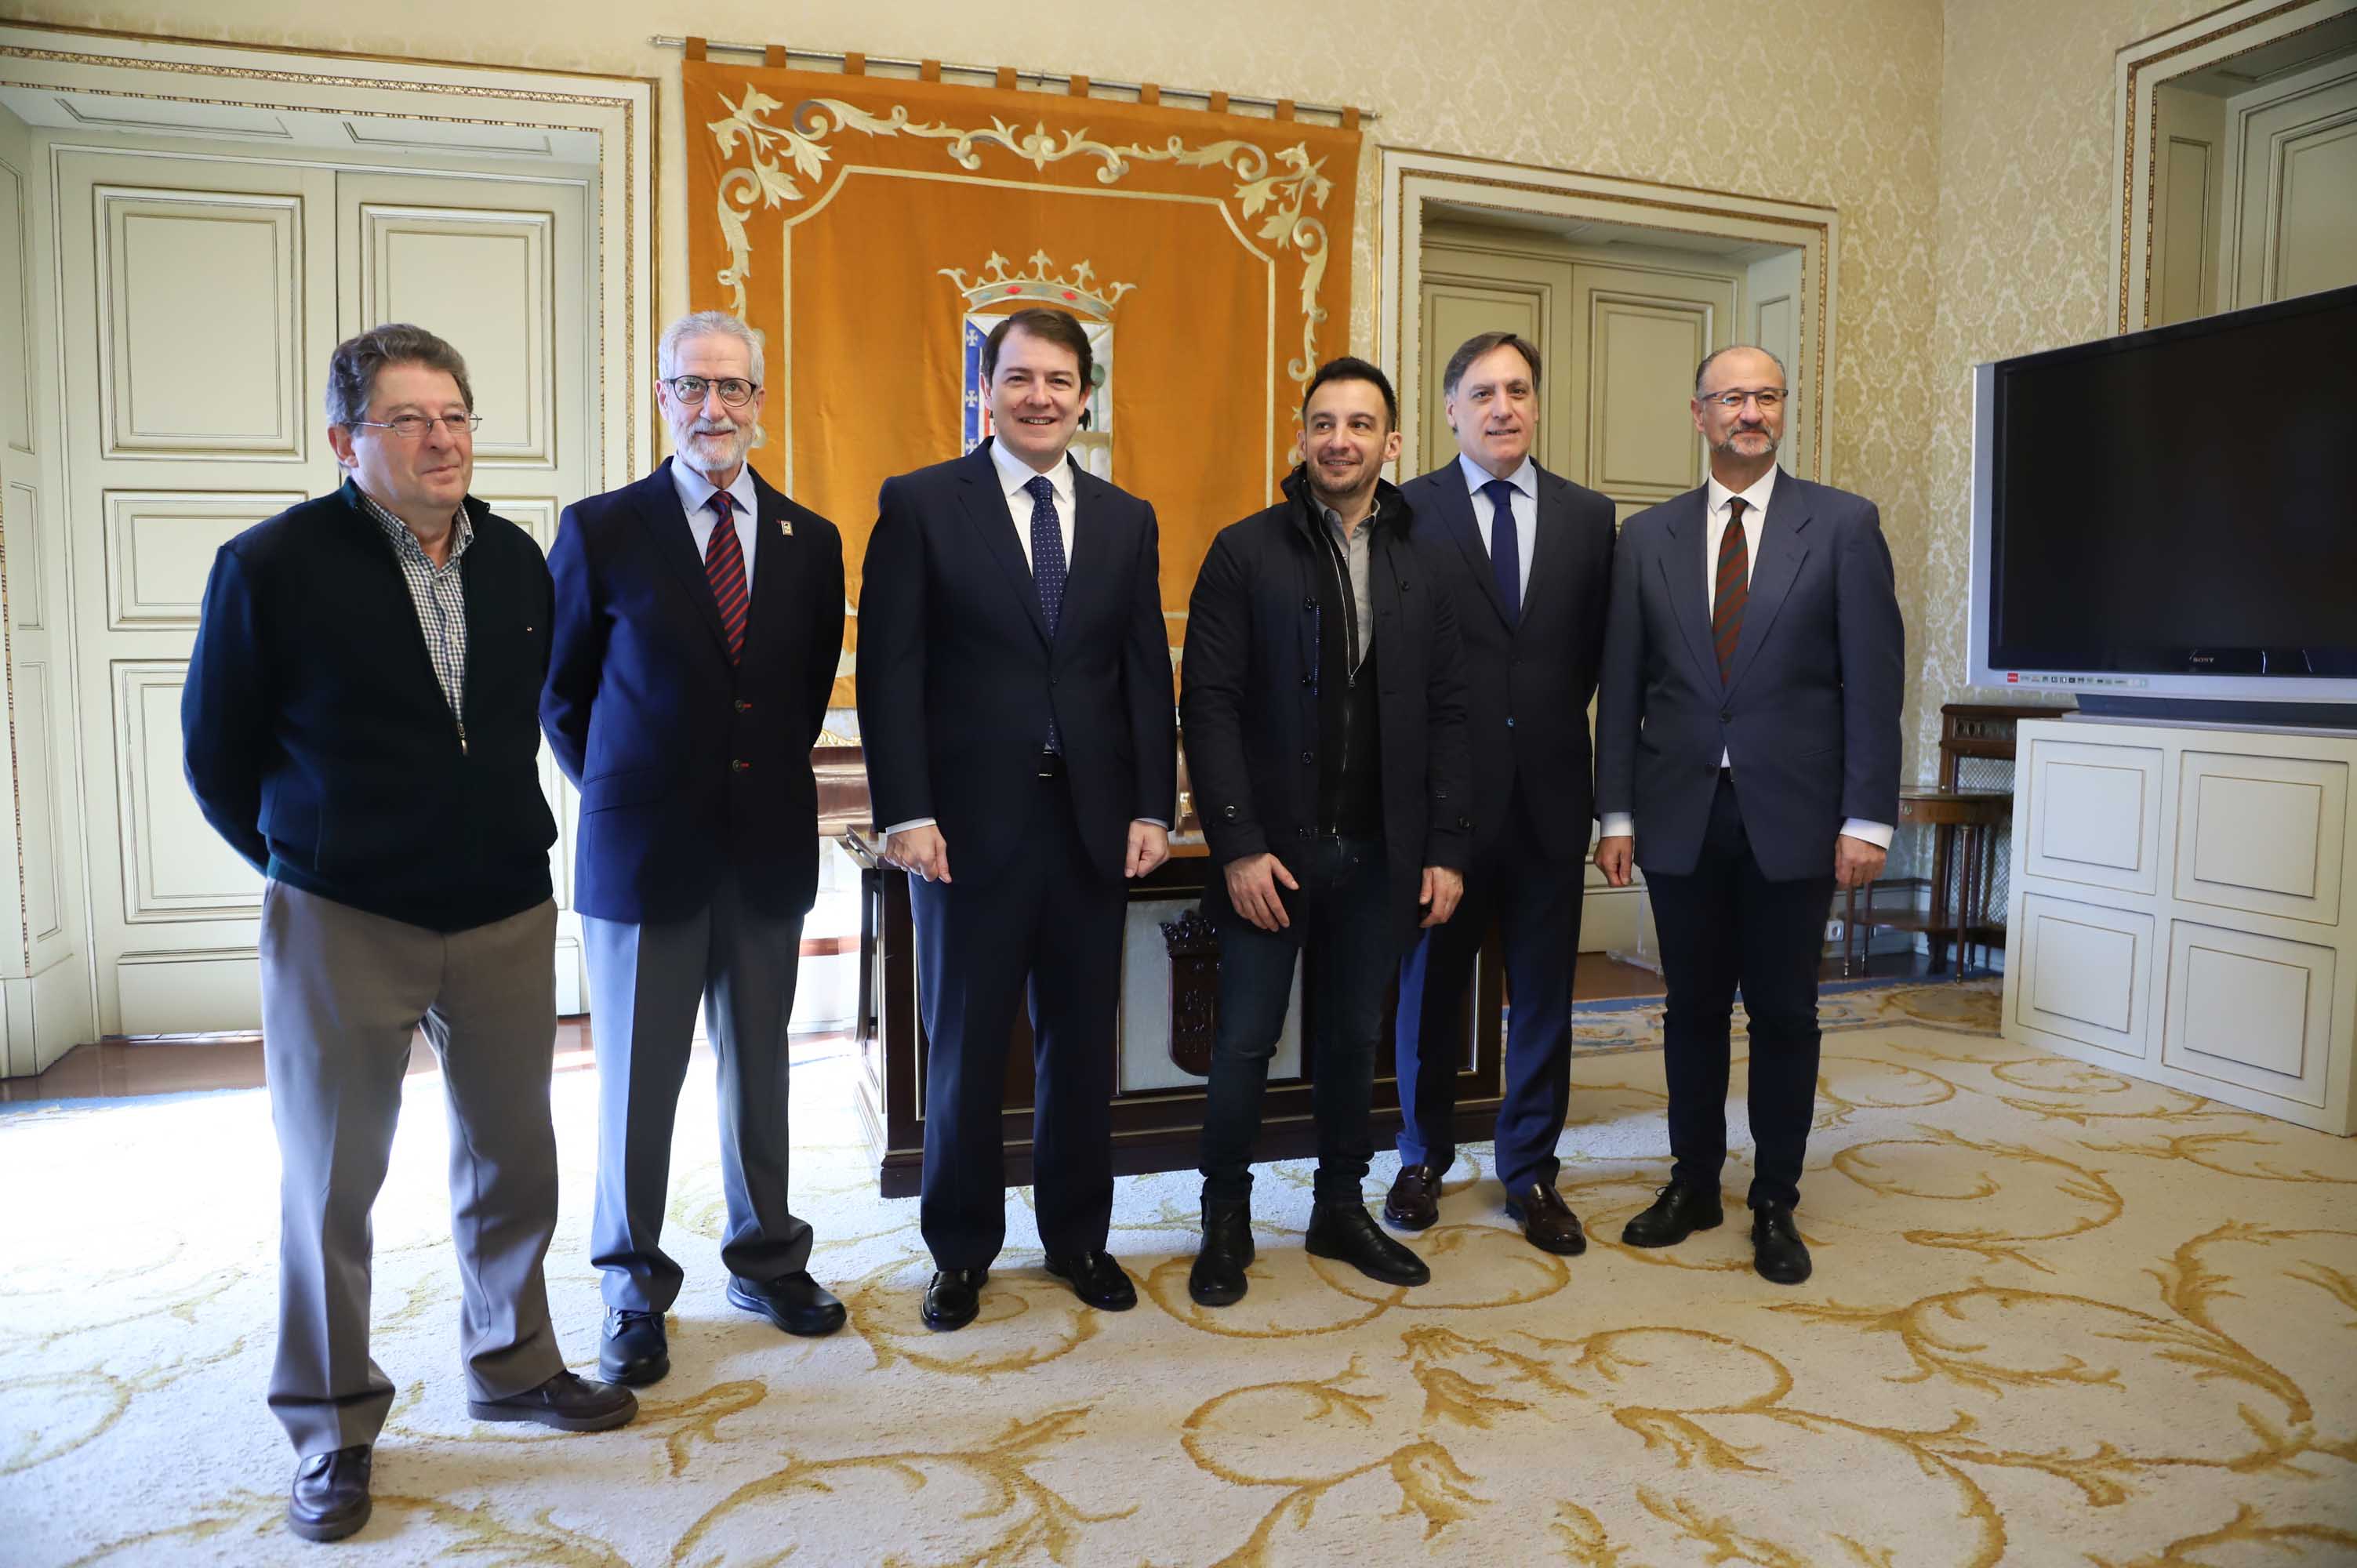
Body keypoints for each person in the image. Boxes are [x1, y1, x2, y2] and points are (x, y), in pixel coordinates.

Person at [183, 323, 635, 1545]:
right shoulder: (270, 565)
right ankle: (331, 1425)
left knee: (512, 1159)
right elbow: (216, 758)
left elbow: (545, 713)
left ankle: (513, 1364)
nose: (442, 441)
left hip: (500, 906)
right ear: (345, 439)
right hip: (345, 917)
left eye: (456, 416)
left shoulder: (519, 561)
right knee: (332, 1184)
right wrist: (309, 864)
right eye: (408, 420)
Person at [542, 310, 849, 1387]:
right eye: (690, 388)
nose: (712, 408)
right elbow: (562, 695)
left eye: (732, 389)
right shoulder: (600, 529)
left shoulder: (814, 541)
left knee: (761, 1068)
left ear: (760, 404)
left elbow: (802, 689)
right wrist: (630, 790)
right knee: (638, 1081)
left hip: (764, 846)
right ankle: (631, 1285)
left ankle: (767, 1257)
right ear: (662, 399)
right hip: (644, 852)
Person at [857, 307, 1177, 1332]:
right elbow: (890, 672)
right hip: (963, 833)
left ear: (1086, 396)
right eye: (1019, 377)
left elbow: (1141, 672)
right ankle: (959, 1251)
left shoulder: (1127, 518)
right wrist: (904, 811)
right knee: (961, 1047)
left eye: (1059, 380)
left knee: (1082, 1045)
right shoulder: (920, 504)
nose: (1039, 396)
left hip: (1088, 827)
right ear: (984, 389)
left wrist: (1151, 805)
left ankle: (1080, 1238)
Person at [1593, 345, 1904, 1285]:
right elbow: (1622, 683)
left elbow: (1873, 683)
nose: (1750, 412)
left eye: (1765, 396)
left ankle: (1775, 1197)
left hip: (1797, 816)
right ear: (1699, 414)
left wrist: (1868, 818)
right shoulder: (1644, 538)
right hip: (1679, 811)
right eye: (1732, 397)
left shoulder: (1845, 526)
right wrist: (1614, 813)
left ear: (1780, 411)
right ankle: (1693, 1182)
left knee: (1783, 1010)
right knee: (1689, 1009)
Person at [1178, 355, 1472, 1307]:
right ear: (1300, 438)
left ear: (1393, 443)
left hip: (1383, 852)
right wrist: (1236, 844)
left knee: (1352, 1039)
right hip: (1272, 855)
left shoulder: (1428, 560)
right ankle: (1226, 1215)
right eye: (1323, 423)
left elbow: (1453, 710)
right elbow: (1208, 705)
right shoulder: (1244, 550)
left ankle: (1340, 1205)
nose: (1339, 439)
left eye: (1360, 424)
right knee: (1244, 1044)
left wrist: (1446, 847)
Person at [1386, 332, 1616, 1255]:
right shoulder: (1406, 509)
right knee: (1428, 991)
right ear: (1450, 410)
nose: (1502, 407)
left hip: (1552, 797)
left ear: (1536, 402)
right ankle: (1419, 1157)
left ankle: (1530, 1170)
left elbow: (1600, 657)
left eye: (1518, 389)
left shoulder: (1590, 516)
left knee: (1546, 997)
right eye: (1482, 392)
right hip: (1444, 804)